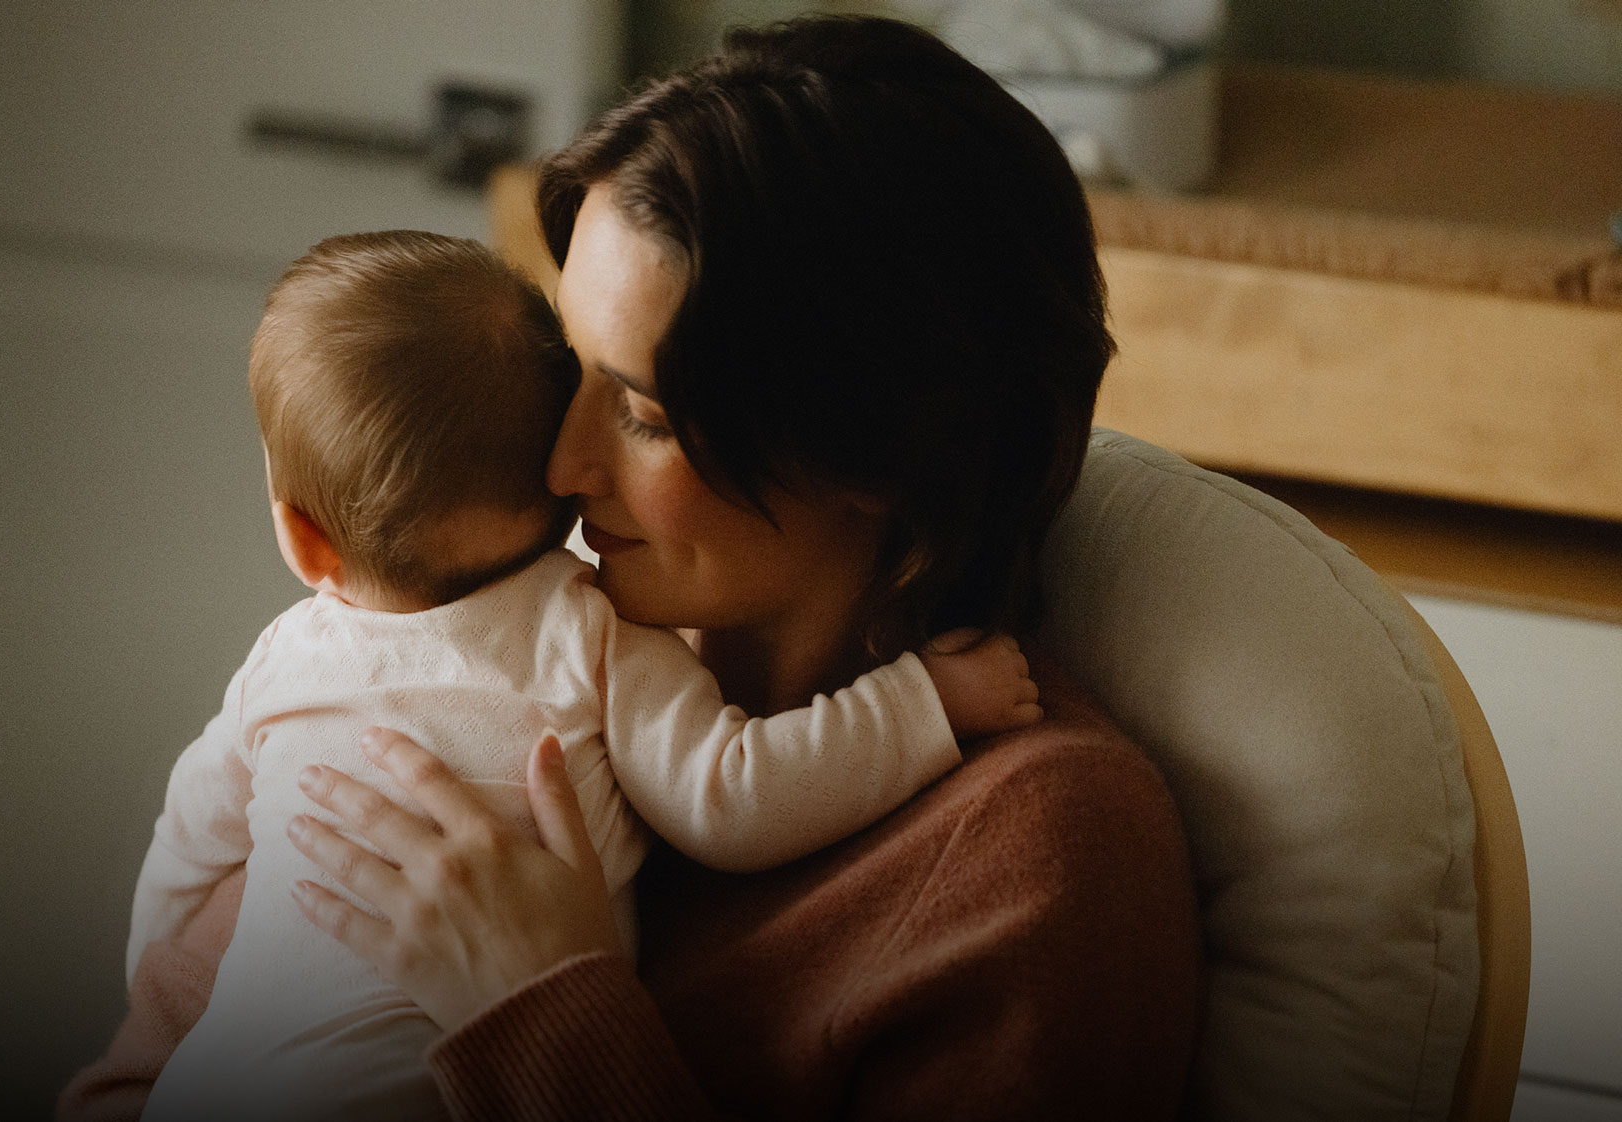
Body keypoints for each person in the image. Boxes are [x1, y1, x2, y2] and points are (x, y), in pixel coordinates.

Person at [61, 15, 1202, 1121]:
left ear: (877, 459)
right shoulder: (504, 660)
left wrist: (540, 1014)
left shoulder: (1044, 863)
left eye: (644, 415)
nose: (560, 467)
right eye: (572, 374)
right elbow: (143, 1067)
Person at [125, 229, 1044, 1121]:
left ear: (301, 537)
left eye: (638, 410)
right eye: (579, 389)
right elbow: (734, 793)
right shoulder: (592, 636)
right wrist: (925, 701)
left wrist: (155, 964)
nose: (578, 455)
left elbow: (190, 841)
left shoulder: (285, 661)